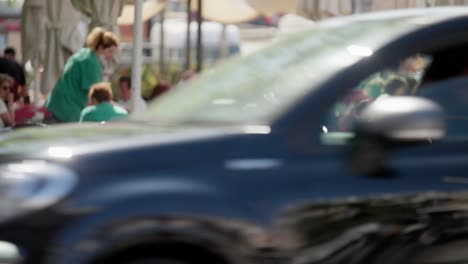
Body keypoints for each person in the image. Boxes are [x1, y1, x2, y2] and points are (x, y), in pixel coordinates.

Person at [45, 27, 119, 122]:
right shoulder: (91, 63)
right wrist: (118, 107)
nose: (111, 55)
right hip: (67, 111)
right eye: (110, 51)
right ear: (101, 47)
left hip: (55, 105)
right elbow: (98, 95)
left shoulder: (83, 53)